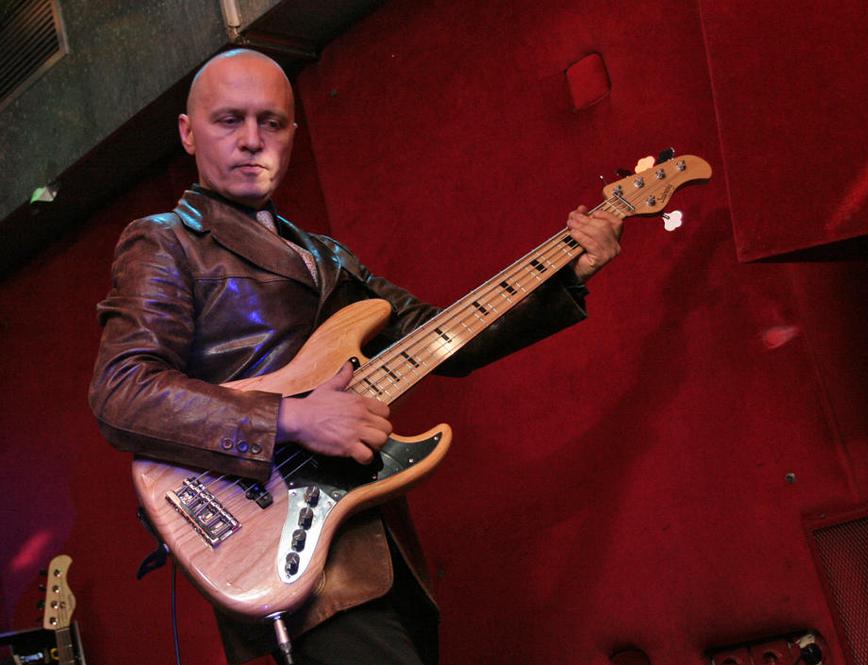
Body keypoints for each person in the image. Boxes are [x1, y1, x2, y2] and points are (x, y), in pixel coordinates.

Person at [89, 49, 623, 664]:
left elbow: (442, 338)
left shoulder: (327, 255)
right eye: (229, 120)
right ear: (188, 133)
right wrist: (292, 418)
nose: (252, 140)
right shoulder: (166, 241)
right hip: (277, 546)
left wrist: (565, 273)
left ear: (293, 134)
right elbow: (122, 390)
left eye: (271, 122)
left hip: (377, 548)